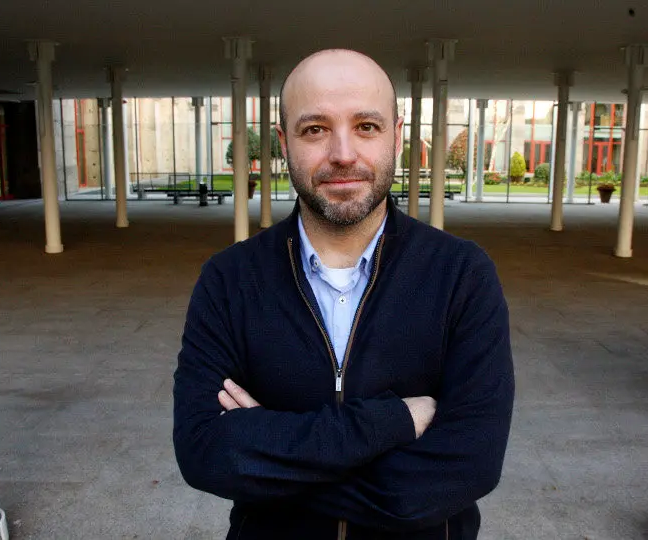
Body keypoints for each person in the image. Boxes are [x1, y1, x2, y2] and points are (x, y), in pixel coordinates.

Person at [172, 49, 515, 540]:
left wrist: (268, 450)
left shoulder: (462, 275)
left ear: (396, 136)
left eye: (366, 126)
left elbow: (468, 467)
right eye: (315, 129)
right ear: (283, 143)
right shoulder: (229, 279)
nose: (343, 154)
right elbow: (204, 452)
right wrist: (392, 421)